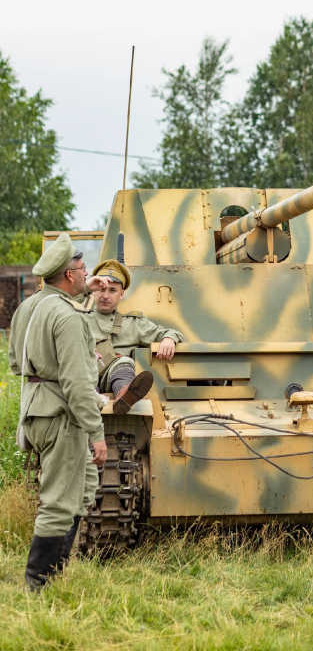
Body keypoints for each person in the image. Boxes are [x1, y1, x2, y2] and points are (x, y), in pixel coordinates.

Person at [9, 234, 111, 589]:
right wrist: (97, 434)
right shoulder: (68, 317)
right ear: (69, 275)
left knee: (82, 489)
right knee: (58, 502)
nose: (89, 277)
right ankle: (39, 585)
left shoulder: (30, 306)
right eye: (83, 270)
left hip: (37, 409)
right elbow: (78, 385)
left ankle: (55, 575)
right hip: (63, 416)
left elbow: (15, 362)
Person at [84, 259, 185, 414]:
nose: (105, 295)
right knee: (82, 368)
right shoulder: (78, 319)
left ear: (121, 293)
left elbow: (171, 333)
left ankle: (124, 396)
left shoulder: (133, 323)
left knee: (124, 362)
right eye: (101, 289)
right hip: (86, 377)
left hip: (115, 375)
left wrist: (169, 339)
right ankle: (91, 397)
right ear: (93, 290)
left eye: (112, 290)